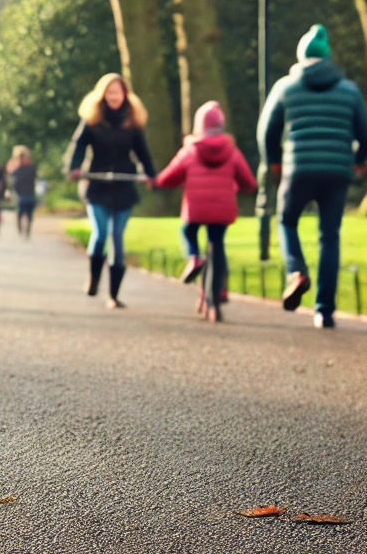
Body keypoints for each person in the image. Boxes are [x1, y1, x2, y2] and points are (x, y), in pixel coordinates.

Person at [258, 24, 367, 328]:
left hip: (299, 168)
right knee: (329, 237)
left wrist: (275, 163)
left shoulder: (286, 87)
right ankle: (325, 311)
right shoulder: (349, 90)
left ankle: (296, 271)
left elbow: (266, 132)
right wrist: (359, 161)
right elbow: (364, 131)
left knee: (286, 220)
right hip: (337, 171)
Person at [154, 101, 256, 323]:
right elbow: (248, 180)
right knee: (217, 246)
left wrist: (157, 181)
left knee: (188, 231)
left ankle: (193, 257)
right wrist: (247, 188)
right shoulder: (231, 150)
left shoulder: (190, 149)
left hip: (196, 209)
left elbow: (170, 176)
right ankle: (216, 296)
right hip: (222, 210)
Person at [67, 73, 156, 309]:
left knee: (117, 238)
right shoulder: (92, 120)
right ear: (103, 94)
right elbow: (79, 145)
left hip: (123, 186)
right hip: (96, 185)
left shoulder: (132, 122)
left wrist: (150, 173)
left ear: (125, 95)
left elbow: (142, 151)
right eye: (110, 92)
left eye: (118, 92)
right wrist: (74, 168)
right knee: (100, 234)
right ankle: (94, 278)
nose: (114, 96)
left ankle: (114, 295)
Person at [7, 145, 37, 238]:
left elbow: (11, 179)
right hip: (25, 195)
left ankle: (23, 229)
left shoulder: (18, 169)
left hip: (25, 195)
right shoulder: (30, 168)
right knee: (26, 212)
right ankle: (24, 229)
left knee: (23, 212)